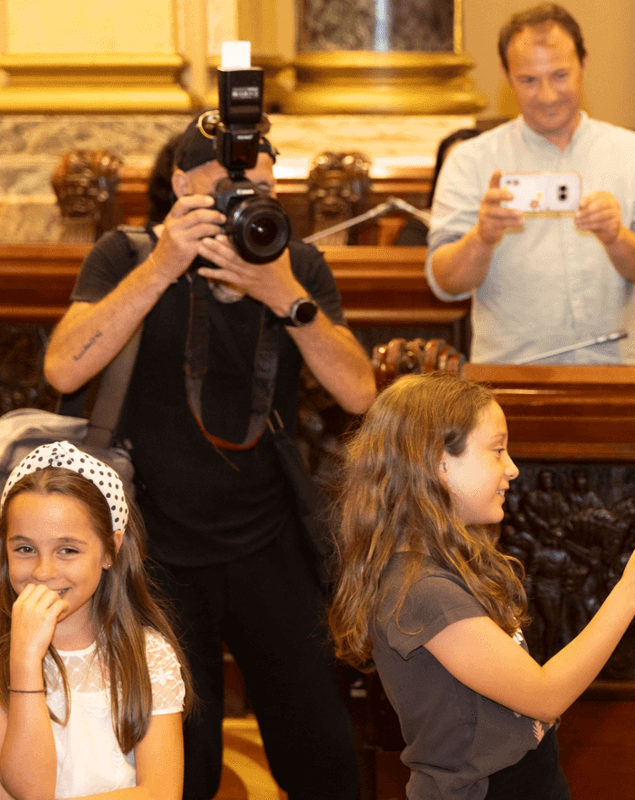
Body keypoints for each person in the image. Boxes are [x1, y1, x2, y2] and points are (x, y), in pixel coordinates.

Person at [40, 116, 376, 800]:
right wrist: (163, 266)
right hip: (154, 547)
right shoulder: (127, 250)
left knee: (323, 752)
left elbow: (359, 391)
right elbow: (63, 369)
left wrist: (283, 293)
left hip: (267, 539)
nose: (245, 202)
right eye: (226, 187)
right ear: (180, 185)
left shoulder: (292, 261)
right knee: (179, 764)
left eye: (258, 186)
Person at [328, 372, 635, 799]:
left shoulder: (450, 565)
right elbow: (544, 696)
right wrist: (629, 593)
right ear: (438, 463)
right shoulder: (421, 589)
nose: (513, 468)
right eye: (497, 451)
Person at [425, 3, 635, 365]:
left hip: (616, 371)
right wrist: (482, 236)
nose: (546, 96)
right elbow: (445, 283)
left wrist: (615, 236)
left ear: (584, 63)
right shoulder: (470, 160)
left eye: (560, 75)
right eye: (528, 80)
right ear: (507, 75)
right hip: (509, 375)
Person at [0, 441, 189, 798]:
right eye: (25, 549)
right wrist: (25, 658)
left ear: (110, 550)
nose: (43, 571)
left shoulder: (147, 654)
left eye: (67, 550)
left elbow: (161, 791)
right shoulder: (3, 651)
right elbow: (31, 790)